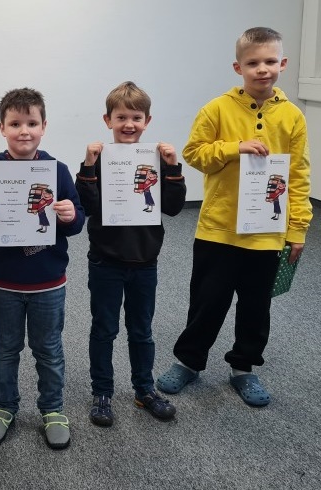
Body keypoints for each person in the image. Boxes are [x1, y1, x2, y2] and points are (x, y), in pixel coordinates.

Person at [156, 27, 312, 407]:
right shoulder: (217, 108)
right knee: (207, 302)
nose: (263, 69)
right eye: (253, 62)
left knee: (257, 307)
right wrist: (234, 148)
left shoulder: (293, 116)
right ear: (238, 67)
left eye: (270, 61)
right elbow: (194, 153)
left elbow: (299, 174)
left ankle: (243, 367)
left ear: (283, 64)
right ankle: (189, 361)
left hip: (267, 233)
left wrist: (297, 228)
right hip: (218, 230)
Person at [0, 88, 84, 449]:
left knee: (49, 349)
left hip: (48, 282)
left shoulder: (58, 171)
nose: (24, 131)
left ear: (44, 126)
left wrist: (70, 215)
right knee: (4, 348)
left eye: (32, 123)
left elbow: (77, 222)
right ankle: (4, 406)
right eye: (15, 124)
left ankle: (53, 408)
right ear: (2, 128)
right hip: (3, 282)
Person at [75, 81, 186, 427]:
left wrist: (173, 167)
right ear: (107, 120)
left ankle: (144, 389)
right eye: (121, 117)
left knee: (142, 330)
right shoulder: (99, 160)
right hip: (105, 262)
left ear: (147, 121)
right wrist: (88, 165)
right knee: (104, 329)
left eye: (136, 118)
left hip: (144, 263)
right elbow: (87, 206)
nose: (128, 124)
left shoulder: (156, 160)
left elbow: (173, 207)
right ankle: (102, 392)